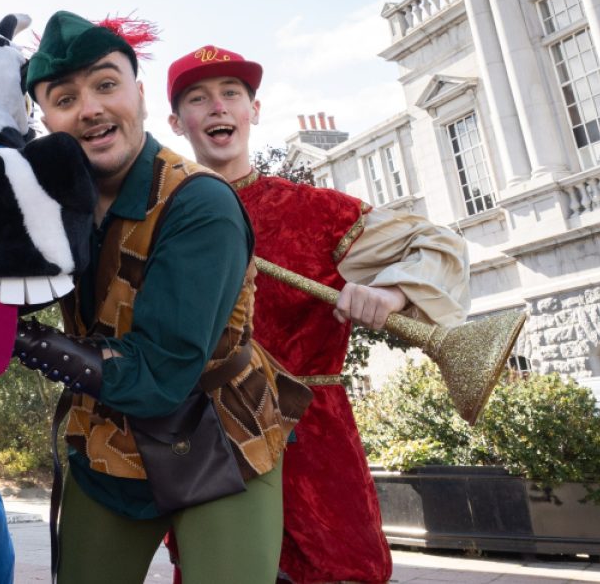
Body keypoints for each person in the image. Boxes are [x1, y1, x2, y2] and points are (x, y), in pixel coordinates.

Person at [13, 12, 313, 584]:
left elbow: (160, 372)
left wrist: (18, 339)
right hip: (106, 438)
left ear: (140, 95)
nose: (90, 108)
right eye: (65, 98)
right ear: (44, 118)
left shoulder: (202, 202)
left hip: (221, 435)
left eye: (106, 85)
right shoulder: (50, 204)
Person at [165, 45, 469, 584]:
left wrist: (393, 293)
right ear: (176, 122)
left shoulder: (318, 212)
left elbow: (438, 243)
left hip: (314, 441)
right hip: (210, 443)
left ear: (253, 111)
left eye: (231, 93)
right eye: (198, 98)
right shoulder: (160, 222)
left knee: (340, 571)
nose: (217, 107)